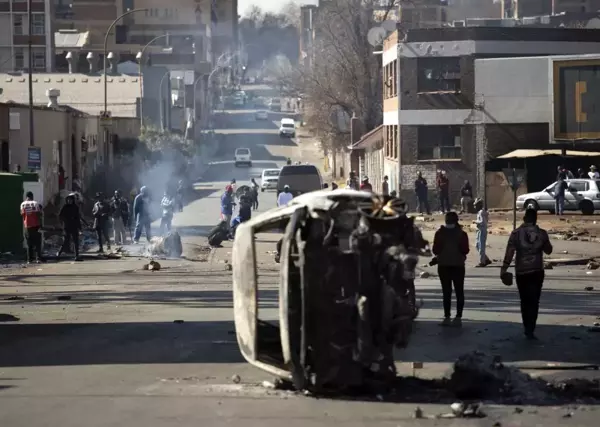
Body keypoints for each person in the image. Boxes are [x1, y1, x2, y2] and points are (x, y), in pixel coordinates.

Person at [501, 208, 553, 340]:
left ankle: (526, 327)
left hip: (522, 271)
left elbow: (509, 252)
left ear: (524, 218)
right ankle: (531, 327)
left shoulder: (516, 233)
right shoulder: (542, 234)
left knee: (524, 300)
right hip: (537, 271)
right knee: (535, 300)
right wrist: (541, 242)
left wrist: (504, 269)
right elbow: (549, 251)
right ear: (535, 219)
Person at [432, 211, 469, 327]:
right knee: (459, 291)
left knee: (446, 292)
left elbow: (435, 250)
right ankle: (458, 317)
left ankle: (447, 317)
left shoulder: (439, 233)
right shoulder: (461, 234)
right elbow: (465, 250)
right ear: (457, 220)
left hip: (443, 266)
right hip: (458, 265)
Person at [20, 191, 44, 263]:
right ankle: (38, 259)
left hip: (27, 226)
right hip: (36, 226)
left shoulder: (22, 204)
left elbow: (22, 214)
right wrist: (40, 225)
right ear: (32, 196)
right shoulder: (35, 203)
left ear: (26, 196)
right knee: (37, 243)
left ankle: (29, 260)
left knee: (29, 243)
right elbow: (38, 215)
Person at [57, 193, 82, 260]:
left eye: (70, 200)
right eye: (68, 200)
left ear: (72, 200)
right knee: (66, 241)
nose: (69, 201)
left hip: (74, 226)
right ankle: (59, 253)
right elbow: (60, 216)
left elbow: (77, 218)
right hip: (67, 226)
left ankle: (77, 256)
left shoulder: (75, 207)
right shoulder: (65, 207)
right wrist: (65, 221)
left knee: (76, 241)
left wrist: (80, 228)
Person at [474, 198, 491, 267]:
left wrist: (475, 222)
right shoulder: (480, 212)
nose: (474, 206)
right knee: (477, 245)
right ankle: (486, 259)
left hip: (482, 230)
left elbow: (483, 222)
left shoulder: (481, 212)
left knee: (481, 247)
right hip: (479, 230)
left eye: (475, 205)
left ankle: (482, 262)